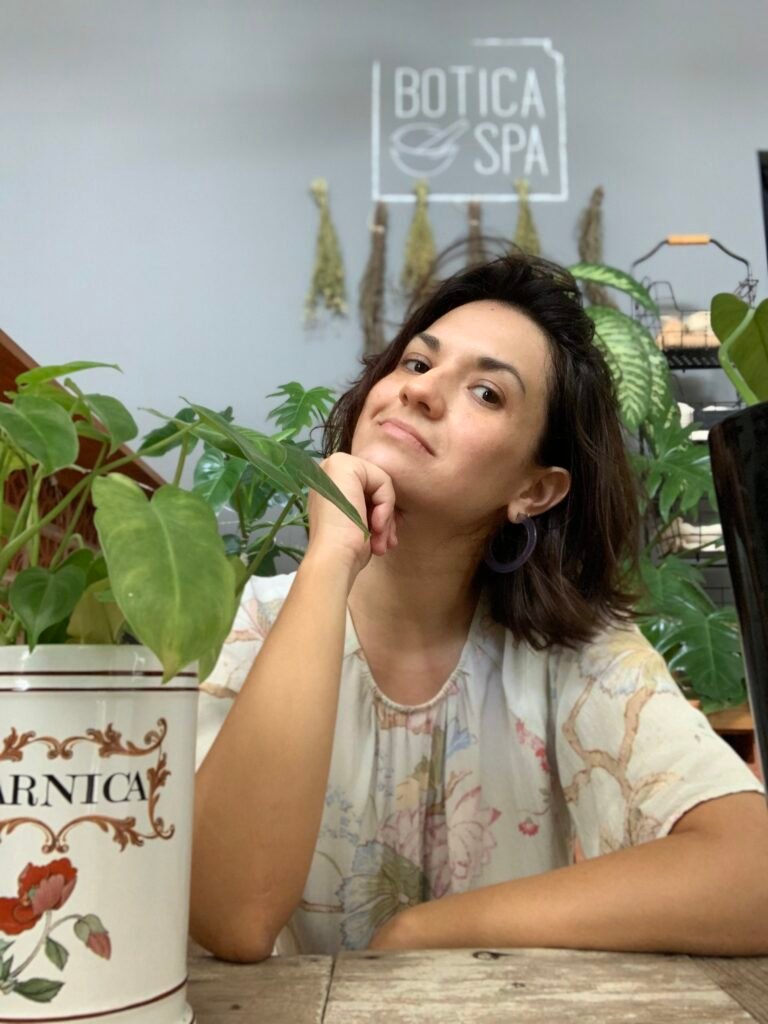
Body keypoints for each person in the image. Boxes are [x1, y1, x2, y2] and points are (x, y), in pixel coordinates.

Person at [191, 251, 767, 962]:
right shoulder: (252, 620)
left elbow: (755, 874)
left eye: (488, 393)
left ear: (536, 490)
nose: (422, 393)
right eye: (416, 364)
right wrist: (328, 560)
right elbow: (229, 918)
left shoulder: (576, 655)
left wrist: (425, 929)